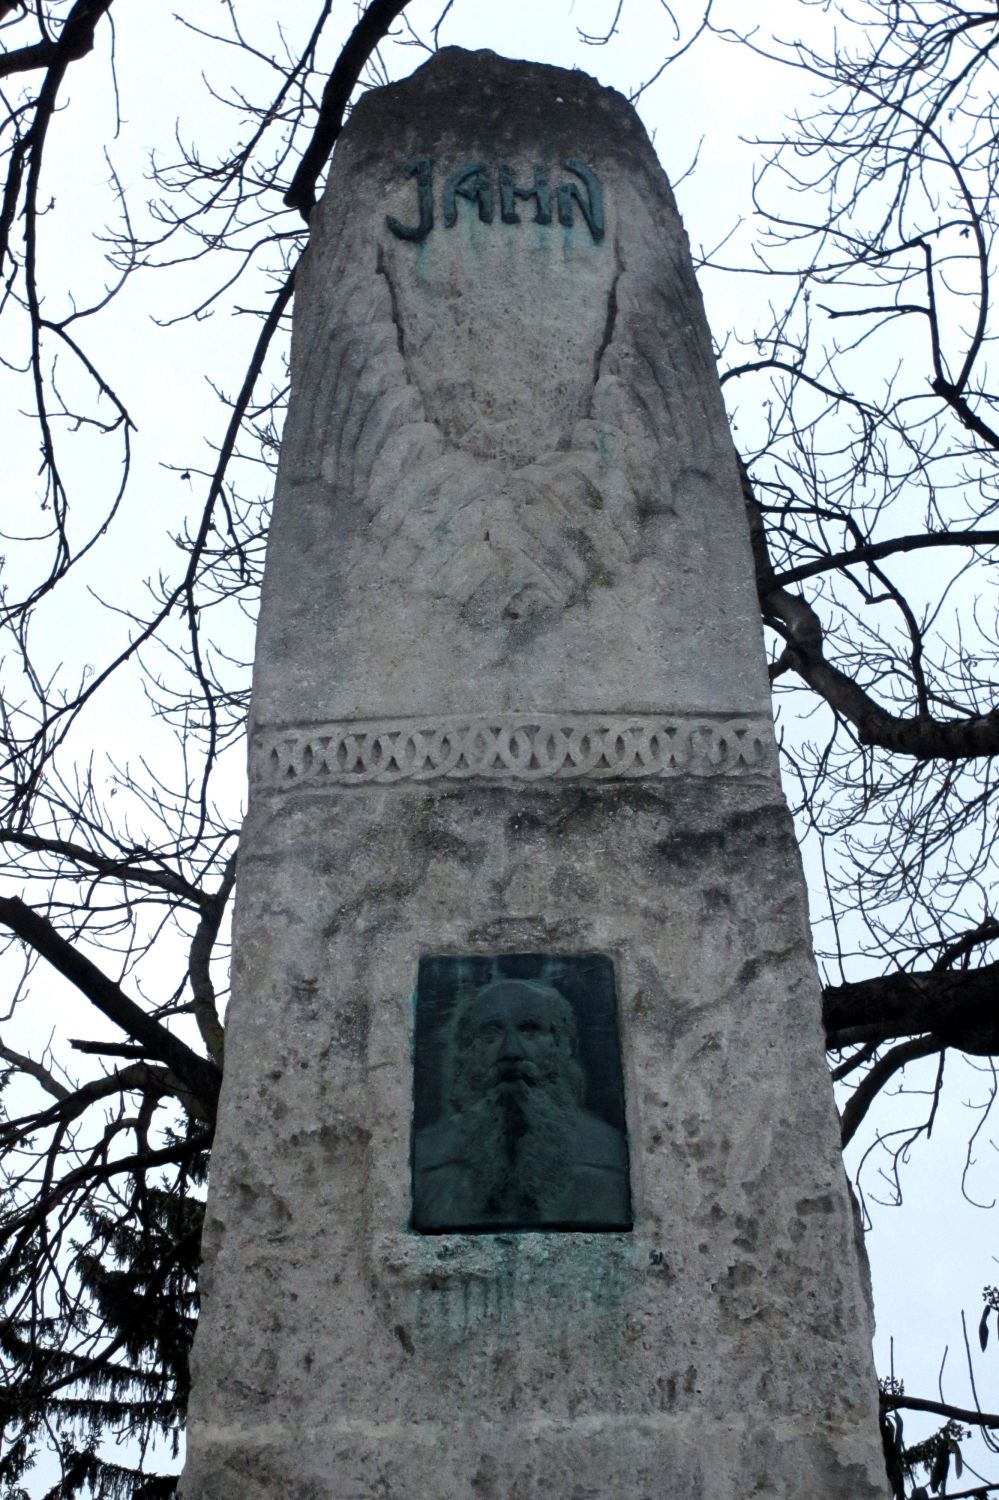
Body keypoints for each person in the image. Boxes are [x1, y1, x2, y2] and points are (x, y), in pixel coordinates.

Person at [412, 977, 631, 1231]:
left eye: (529, 1030)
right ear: (468, 1051)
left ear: (562, 1045)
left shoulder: (610, 1161)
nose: (511, 1051)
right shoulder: (427, 1163)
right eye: (491, 1034)